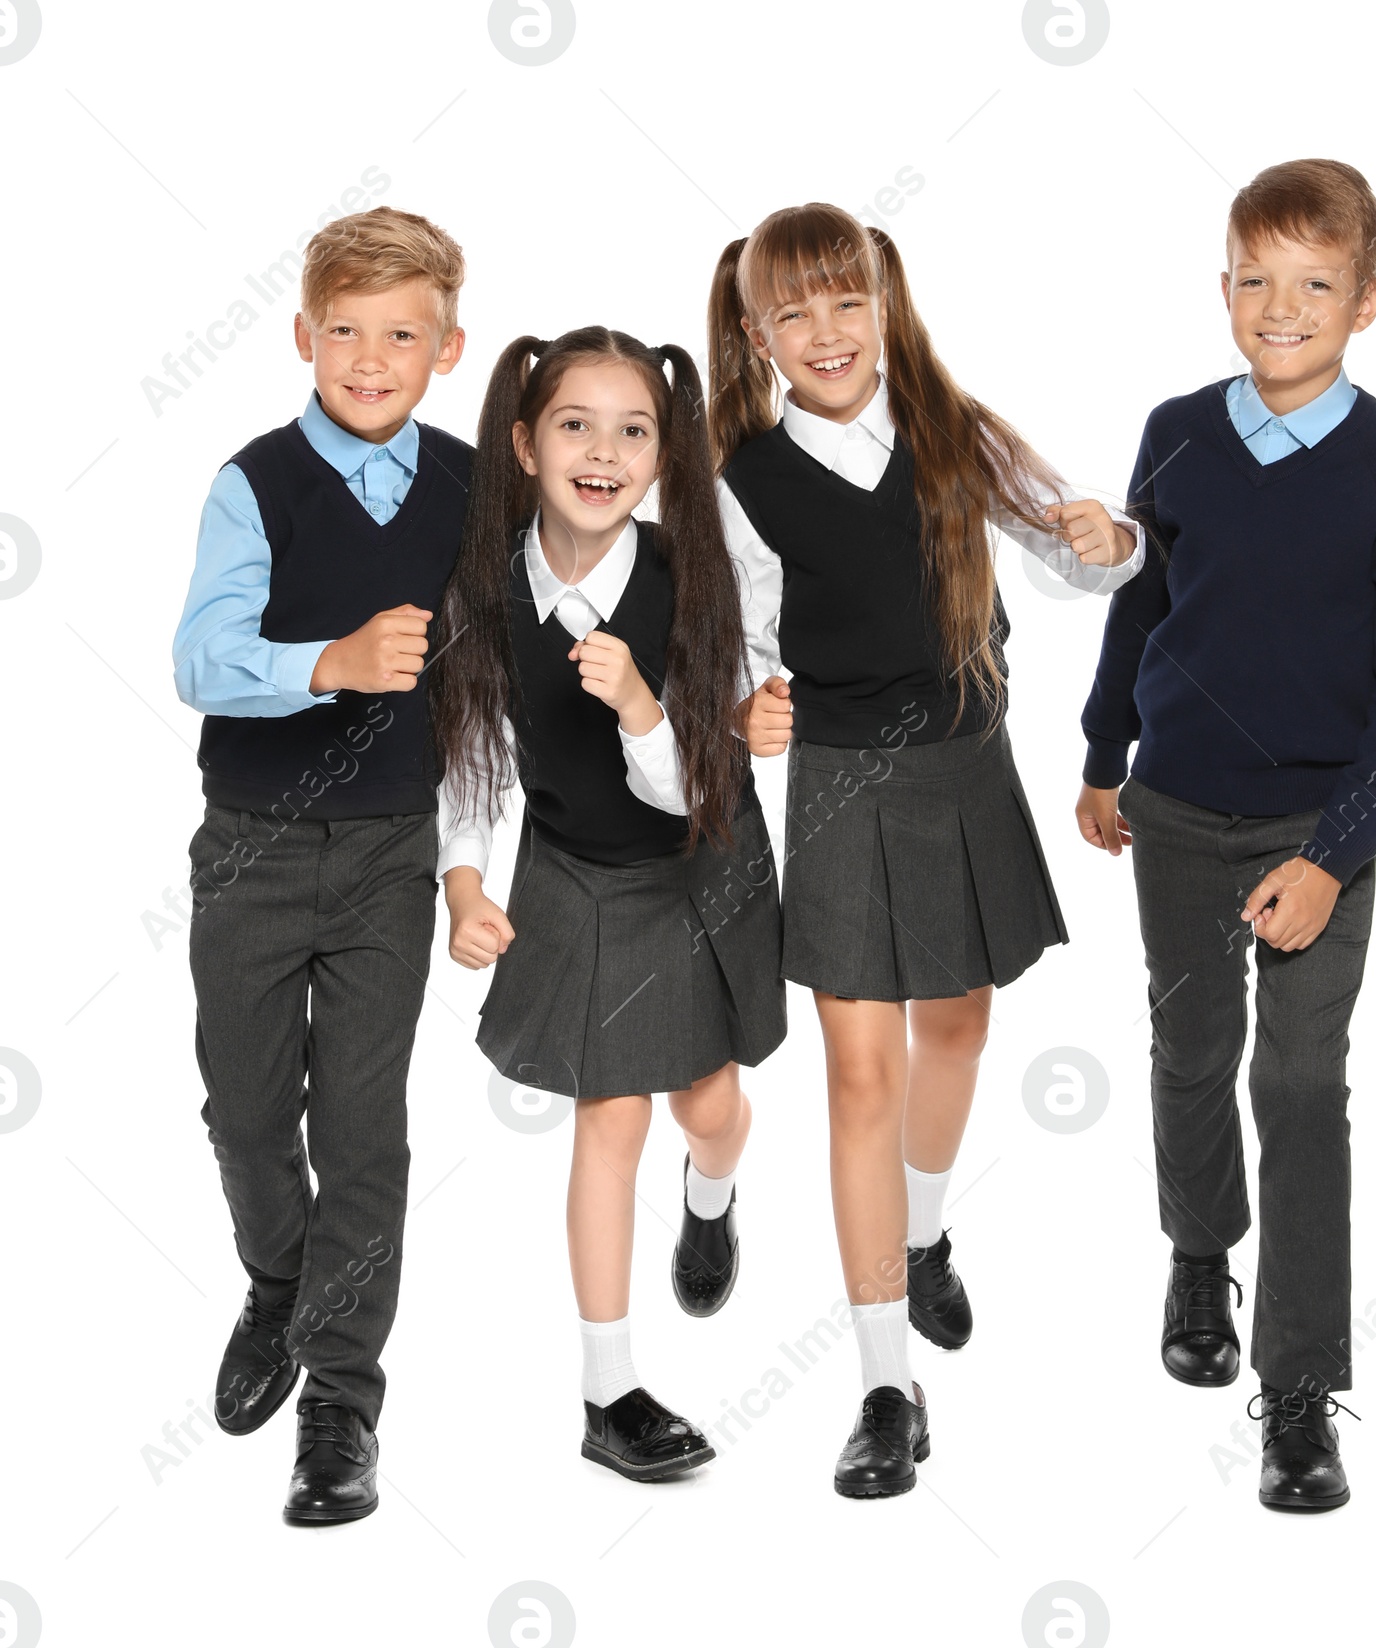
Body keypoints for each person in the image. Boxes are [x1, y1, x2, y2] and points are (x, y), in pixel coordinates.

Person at [708, 203, 1143, 1497]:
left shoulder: (959, 432)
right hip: (839, 783)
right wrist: (748, 706)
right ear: (756, 334)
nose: (825, 331)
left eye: (847, 300)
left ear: (887, 303)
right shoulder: (742, 480)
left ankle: (930, 1230)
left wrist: (1103, 540)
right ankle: (887, 1384)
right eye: (793, 311)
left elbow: (1083, 553)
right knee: (858, 1076)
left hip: (966, 768)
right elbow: (741, 643)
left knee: (958, 1024)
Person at [1076, 158, 1376, 1511]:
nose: (1280, 307)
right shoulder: (1178, 429)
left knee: (1298, 1085)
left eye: (1314, 284)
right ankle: (1197, 1250)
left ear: (1366, 298)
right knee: (1191, 1049)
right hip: (1176, 806)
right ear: (1222, 284)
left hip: (1317, 823)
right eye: (1255, 279)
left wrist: (1329, 857)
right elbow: (1140, 599)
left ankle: (1297, 1389)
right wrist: (1103, 752)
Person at [433, 327, 786, 1482]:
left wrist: (639, 702)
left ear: (661, 456)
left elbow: (701, 782)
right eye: (574, 425)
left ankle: (715, 1189)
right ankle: (609, 1392)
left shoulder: (695, 582)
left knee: (710, 1103)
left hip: (694, 857)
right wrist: (466, 881)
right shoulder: (486, 586)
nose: (603, 450)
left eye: (633, 430)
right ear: (527, 442)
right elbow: (474, 756)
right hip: (576, 871)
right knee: (608, 1117)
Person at [171, 206, 470, 1523]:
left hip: (395, 852)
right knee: (247, 1114)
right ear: (303, 336)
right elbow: (198, 660)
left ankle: (341, 1402)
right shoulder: (255, 483)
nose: (369, 356)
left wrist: (466, 866)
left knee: (362, 1132)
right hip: (255, 849)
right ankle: (279, 1280)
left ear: (445, 349)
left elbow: (488, 707)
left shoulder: (471, 487)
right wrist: (326, 667)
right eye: (344, 329)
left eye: (401, 332)